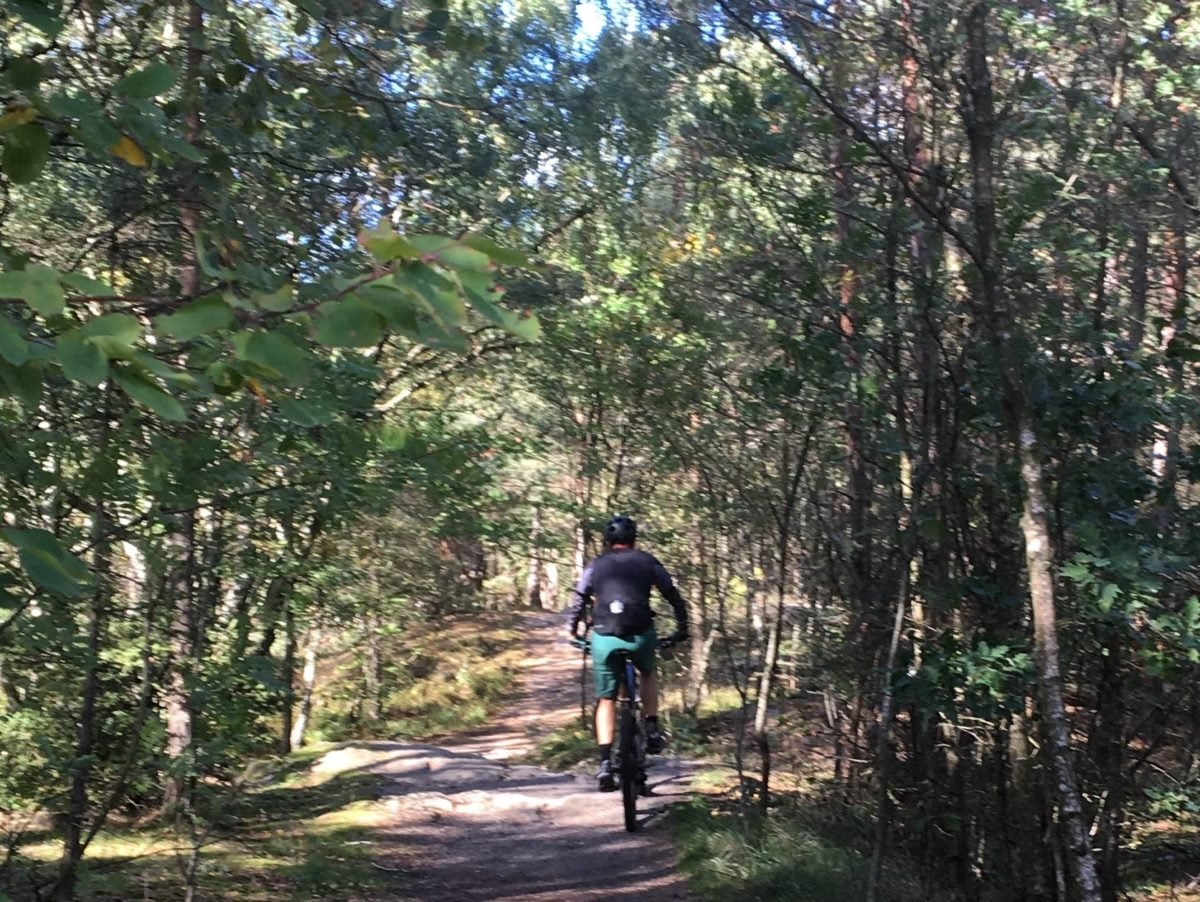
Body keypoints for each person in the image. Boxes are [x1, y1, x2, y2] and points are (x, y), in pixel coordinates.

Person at [566, 515, 689, 791]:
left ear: (608, 542)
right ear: (633, 540)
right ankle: (653, 727)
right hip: (640, 635)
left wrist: (572, 631)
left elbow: (579, 598)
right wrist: (682, 627)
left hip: (604, 636)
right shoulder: (648, 561)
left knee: (606, 699)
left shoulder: (595, 565)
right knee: (647, 672)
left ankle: (605, 764)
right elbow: (673, 594)